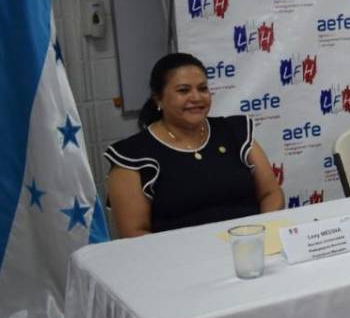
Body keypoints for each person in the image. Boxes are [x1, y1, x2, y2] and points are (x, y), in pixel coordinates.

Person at [105, 53, 284, 237]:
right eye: (183, 90)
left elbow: (271, 193)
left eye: (202, 88)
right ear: (158, 98)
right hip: (178, 254)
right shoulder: (131, 156)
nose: (196, 97)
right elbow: (133, 232)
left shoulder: (235, 132)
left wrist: (260, 234)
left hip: (249, 245)